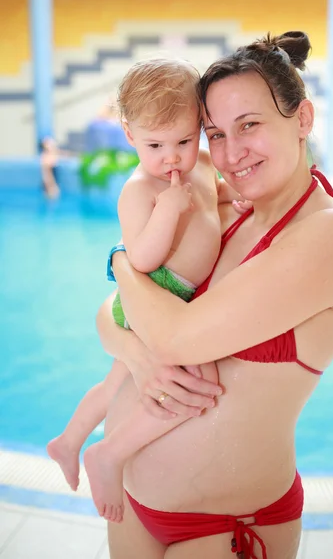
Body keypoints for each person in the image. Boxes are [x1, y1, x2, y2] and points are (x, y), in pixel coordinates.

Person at [96, 31, 333, 559]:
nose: (230, 152)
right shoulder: (226, 213)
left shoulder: (331, 234)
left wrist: (118, 261)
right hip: (133, 503)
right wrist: (135, 352)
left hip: (227, 524)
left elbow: (173, 336)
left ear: (303, 120)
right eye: (215, 133)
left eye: (250, 125)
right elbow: (112, 318)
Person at [47, 57, 248, 524]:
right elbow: (140, 260)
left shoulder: (196, 165)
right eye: (155, 145)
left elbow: (211, 195)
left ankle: (69, 441)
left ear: (199, 126)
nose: (171, 157)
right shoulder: (139, 192)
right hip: (154, 296)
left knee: (117, 382)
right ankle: (109, 454)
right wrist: (168, 211)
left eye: (183, 140)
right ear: (129, 135)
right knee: (194, 385)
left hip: (178, 299)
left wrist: (224, 199)